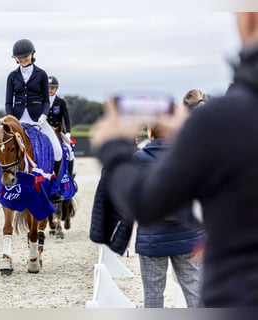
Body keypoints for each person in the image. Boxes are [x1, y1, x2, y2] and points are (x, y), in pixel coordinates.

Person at [90, 12, 258, 307]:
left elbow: (147, 201)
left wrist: (115, 148)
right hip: (187, 242)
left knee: (56, 148)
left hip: (238, 294)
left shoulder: (224, 120)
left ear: (249, 20)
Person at [0, 39, 63, 203]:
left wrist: (43, 115)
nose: (23, 59)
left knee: (58, 151)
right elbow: (8, 102)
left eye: (25, 56)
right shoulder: (12, 76)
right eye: (19, 57)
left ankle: (54, 188)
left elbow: (46, 100)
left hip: (37, 118)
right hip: (16, 119)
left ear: (32, 55)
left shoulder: (41, 74)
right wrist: (9, 119)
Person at [134, 123, 204, 308]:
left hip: (151, 236)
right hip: (187, 234)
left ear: (150, 133)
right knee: (194, 290)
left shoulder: (138, 158)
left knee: (153, 294)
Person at [47, 75, 75, 175]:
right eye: (48, 88)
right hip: (45, 131)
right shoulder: (41, 102)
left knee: (69, 150)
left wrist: (68, 132)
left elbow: (66, 119)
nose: (50, 90)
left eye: (52, 88)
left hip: (58, 131)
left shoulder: (61, 102)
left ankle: (70, 175)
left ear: (56, 88)